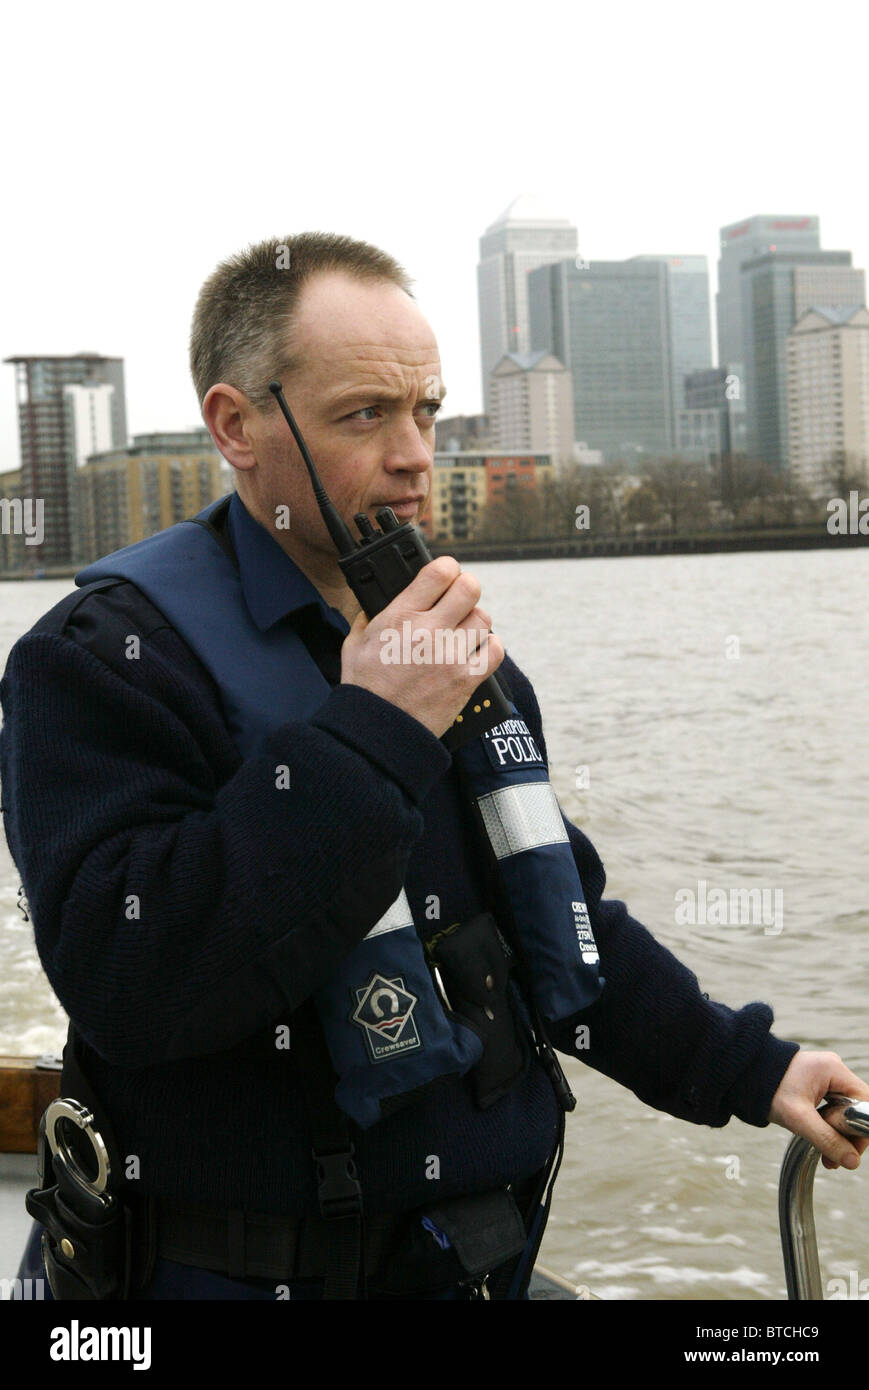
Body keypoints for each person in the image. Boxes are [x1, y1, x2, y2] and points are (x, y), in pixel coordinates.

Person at [2, 231, 867, 1302]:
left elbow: (554, 914)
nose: (416, 452)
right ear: (235, 425)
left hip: (466, 1270)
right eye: (365, 414)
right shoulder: (101, 657)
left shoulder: (443, 636)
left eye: (427, 410)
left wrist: (749, 1067)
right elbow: (126, 977)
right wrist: (372, 726)